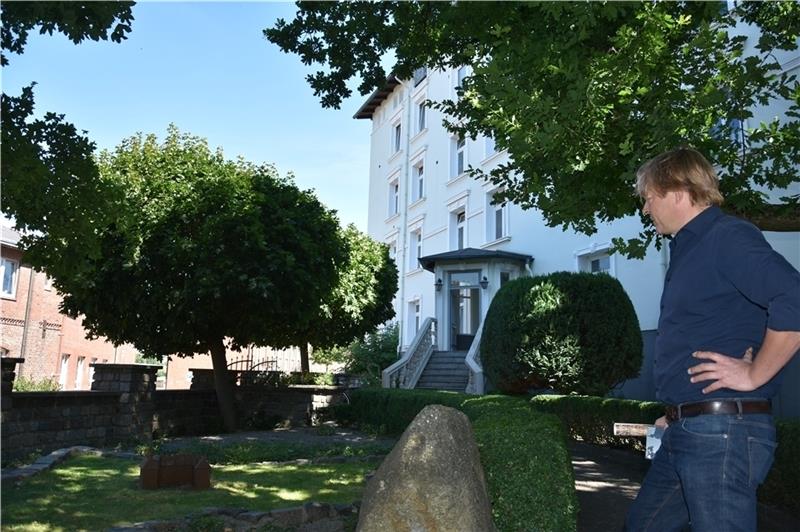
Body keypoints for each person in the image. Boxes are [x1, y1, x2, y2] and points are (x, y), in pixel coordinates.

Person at [624, 147, 800, 532]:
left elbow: (794, 298)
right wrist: (676, 412)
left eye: (649, 198)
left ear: (677, 191)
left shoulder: (727, 237)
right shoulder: (689, 250)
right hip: (688, 429)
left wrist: (755, 374)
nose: (646, 209)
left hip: (721, 435)